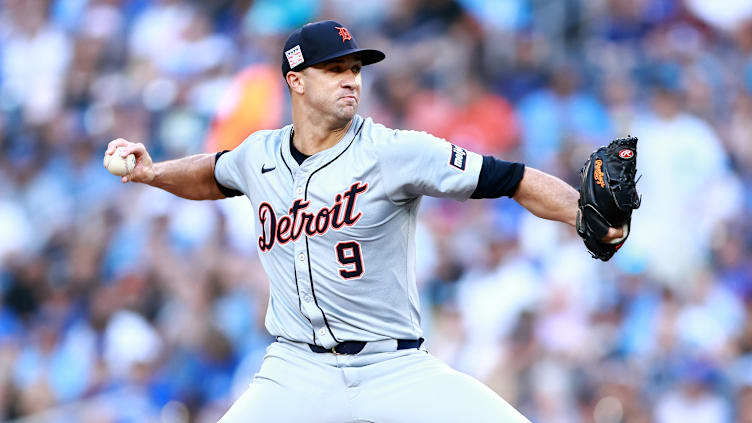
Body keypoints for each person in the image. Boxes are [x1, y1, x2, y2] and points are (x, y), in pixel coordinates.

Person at [105, 20, 623, 423]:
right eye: (334, 70)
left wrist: (583, 212)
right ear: (296, 81)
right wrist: (152, 174)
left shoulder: (395, 151)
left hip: (393, 365)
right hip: (296, 369)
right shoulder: (258, 154)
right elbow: (212, 173)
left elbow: (511, 178)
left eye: (355, 69)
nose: (351, 80)